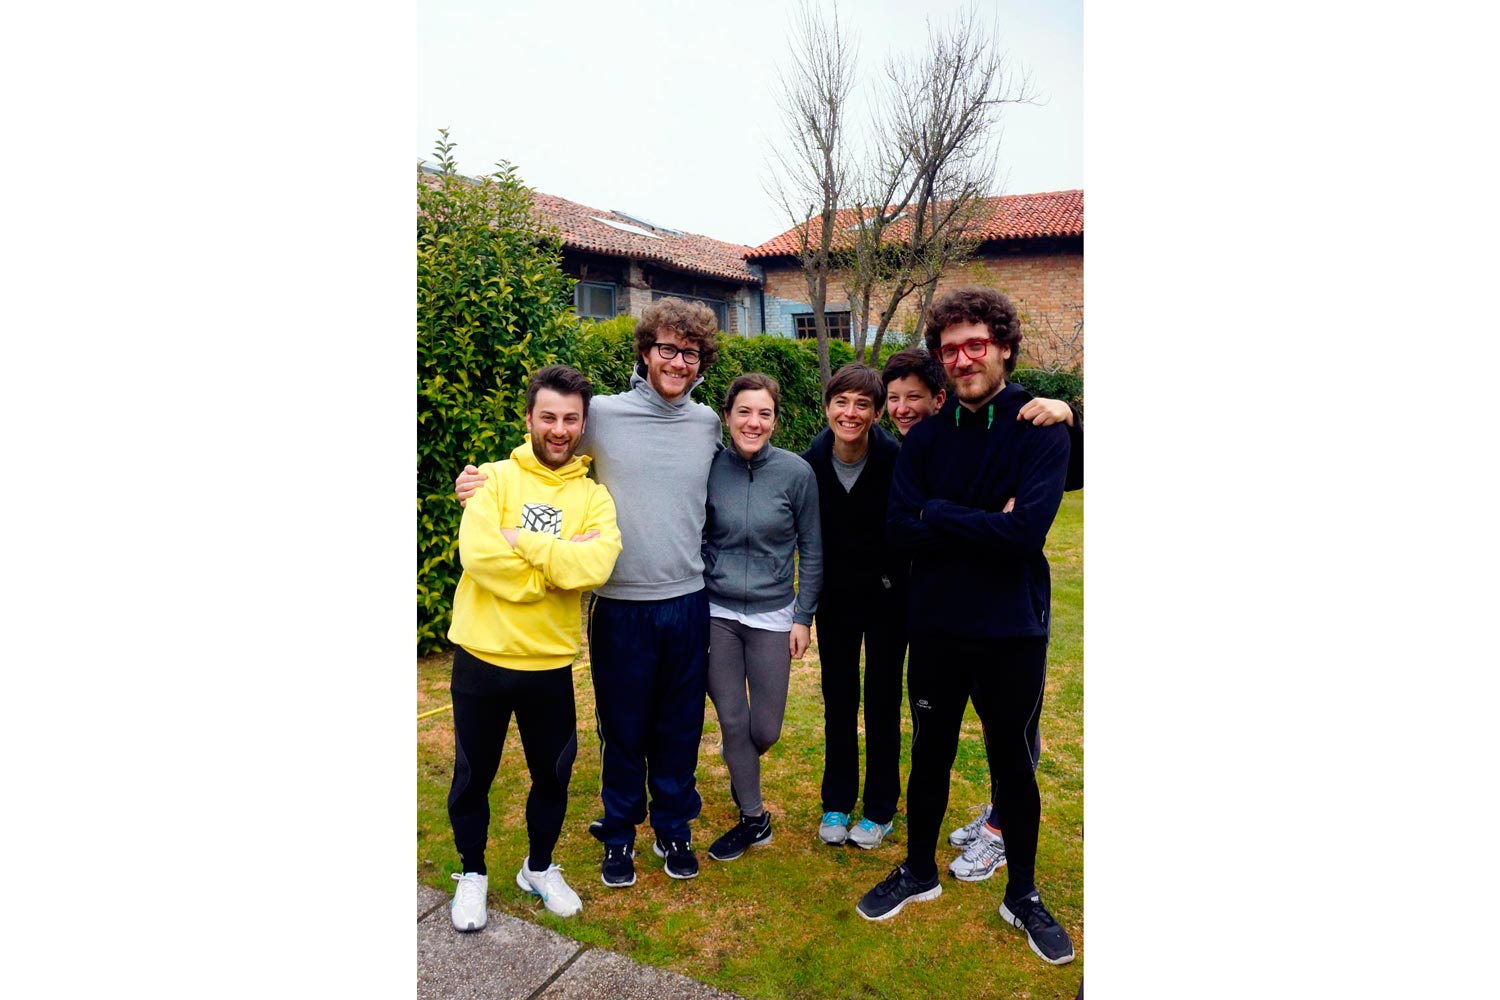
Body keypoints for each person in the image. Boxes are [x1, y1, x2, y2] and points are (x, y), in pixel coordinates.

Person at [455, 298, 722, 887]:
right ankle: (620, 833)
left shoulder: (707, 423)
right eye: (667, 349)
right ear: (646, 351)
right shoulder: (600, 414)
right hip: (620, 605)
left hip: (687, 597)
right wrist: (478, 481)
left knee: (680, 723)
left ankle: (674, 824)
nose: (678, 363)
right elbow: (545, 445)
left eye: (691, 353)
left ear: (702, 362)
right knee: (622, 726)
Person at [856, 286, 1076, 967]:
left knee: (1013, 762)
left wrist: (940, 516)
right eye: (950, 349)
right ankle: (919, 870)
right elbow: (898, 532)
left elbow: (1024, 535)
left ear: (1004, 347)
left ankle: (1024, 893)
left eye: (975, 344)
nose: (962, 358)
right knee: (931, 753)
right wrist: (978, 518)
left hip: (1012, 628)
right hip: (939, 626)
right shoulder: (923, 440)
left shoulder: (1041, 428)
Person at [446, 365, 622, 930]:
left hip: (549, 664)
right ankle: (472, 873)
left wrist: (520, 541)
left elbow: (596, 564)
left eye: (571, 419)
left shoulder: (594, 496)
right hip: (482, 658)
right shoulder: (492, 480)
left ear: (582, 424)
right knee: (474, 775)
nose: (559, 428)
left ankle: (538, 867)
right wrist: (552, 571)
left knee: (553, 776)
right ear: (529, 419)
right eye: (548, 416)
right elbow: (478, 555)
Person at [701, 373, 822, 862]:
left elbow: (812, 548)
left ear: (775, 419)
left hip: (774, 613)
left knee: (764, 728)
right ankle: (754, 817)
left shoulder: (796, 474)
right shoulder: (708, 468)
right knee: (732, 719)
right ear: (727, 416)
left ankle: (742, 767)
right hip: (716, 611)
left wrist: (804, 615)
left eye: (764, 413)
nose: (754, 422)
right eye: (744, 412)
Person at [798, 363, 907, 850]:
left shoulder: (897, 460)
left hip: (888, 601)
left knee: (883, 703)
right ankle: (837, 802)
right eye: (842, 401)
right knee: (839, 703)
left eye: (863, 404)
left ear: (877, 412)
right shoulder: (809, 464)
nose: (851, 412)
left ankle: (880, 808)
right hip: (835, 603)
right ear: (827, 407)